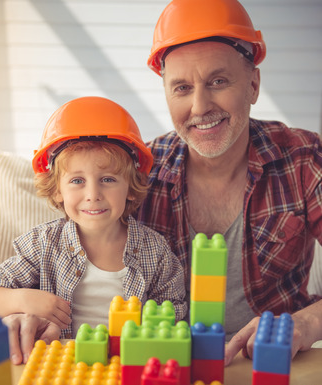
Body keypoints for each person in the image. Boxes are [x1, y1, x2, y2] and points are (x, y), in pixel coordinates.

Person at [136, 0, 322, 365]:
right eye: (182, 88)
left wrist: (309, 321)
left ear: (252, 85)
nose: (200, 106)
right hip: (168, 369)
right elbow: (68, 261)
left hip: (272, 366)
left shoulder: (305, 158)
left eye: (218, 81)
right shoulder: (140, 172)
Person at [0, 96, 187, 364]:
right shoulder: (43, 245)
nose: (92, 194)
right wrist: (26, 300)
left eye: (108, 179)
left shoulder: (155, 252)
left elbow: (176, 313)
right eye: (77, 180)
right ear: (57, 190)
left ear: (131, 188)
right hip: (59, 368)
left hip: (126, 369)